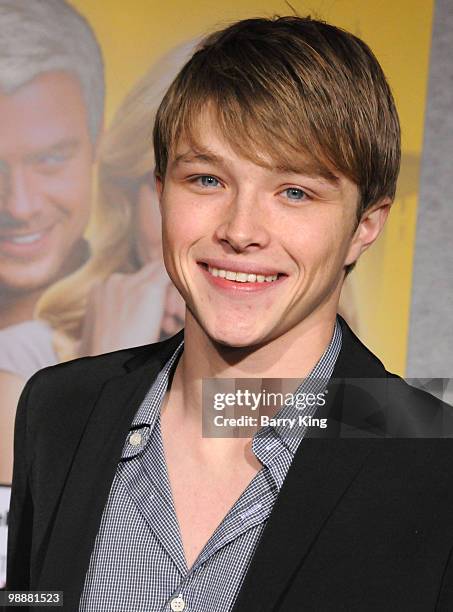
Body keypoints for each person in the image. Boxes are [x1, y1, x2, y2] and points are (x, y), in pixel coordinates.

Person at [8, 15, 453, 611]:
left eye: (294, 191)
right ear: (161, 189)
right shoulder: (59, 409)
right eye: (208, 179)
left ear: (365, 225)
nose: (241, 231)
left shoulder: (432, 465)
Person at [0, 42, 192, 486]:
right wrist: (104, 373)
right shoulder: (22, 366)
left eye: (287, 190)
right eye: (191, 181)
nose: (226, 230)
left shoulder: (353, 393)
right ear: (125, 197)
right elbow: (57, 548)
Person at [0, 0, 104, 484]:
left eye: (50, 159)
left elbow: (357, 415)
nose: (19, 205)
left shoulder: (168, 315)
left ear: (96, 145)